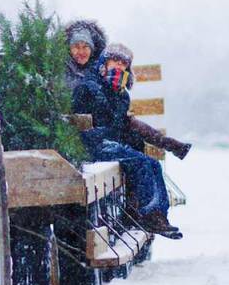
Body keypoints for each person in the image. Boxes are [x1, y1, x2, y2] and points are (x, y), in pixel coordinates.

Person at [71, 42, 184, 239]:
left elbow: (123, 124)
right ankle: (148, 214)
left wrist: (165, 143)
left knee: (153, 164)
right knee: (140, 162)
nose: (119, 66)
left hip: (110, 143)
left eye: (123, 63)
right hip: (92, 144)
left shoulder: (121, 94)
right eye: (115, 60)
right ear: (104, 62)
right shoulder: (88, 86)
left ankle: (158, 216)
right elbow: (78, 122)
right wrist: (98, 137)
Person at [64, 21, 192, 159]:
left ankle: (168, 146)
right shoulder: (69, 74)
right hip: (85, 139)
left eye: (85, 47)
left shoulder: (115, 87)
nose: (81, 51)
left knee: (135, 138)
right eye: (76, 46)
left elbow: (118, 117)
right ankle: (165, 147)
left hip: (106, 133)